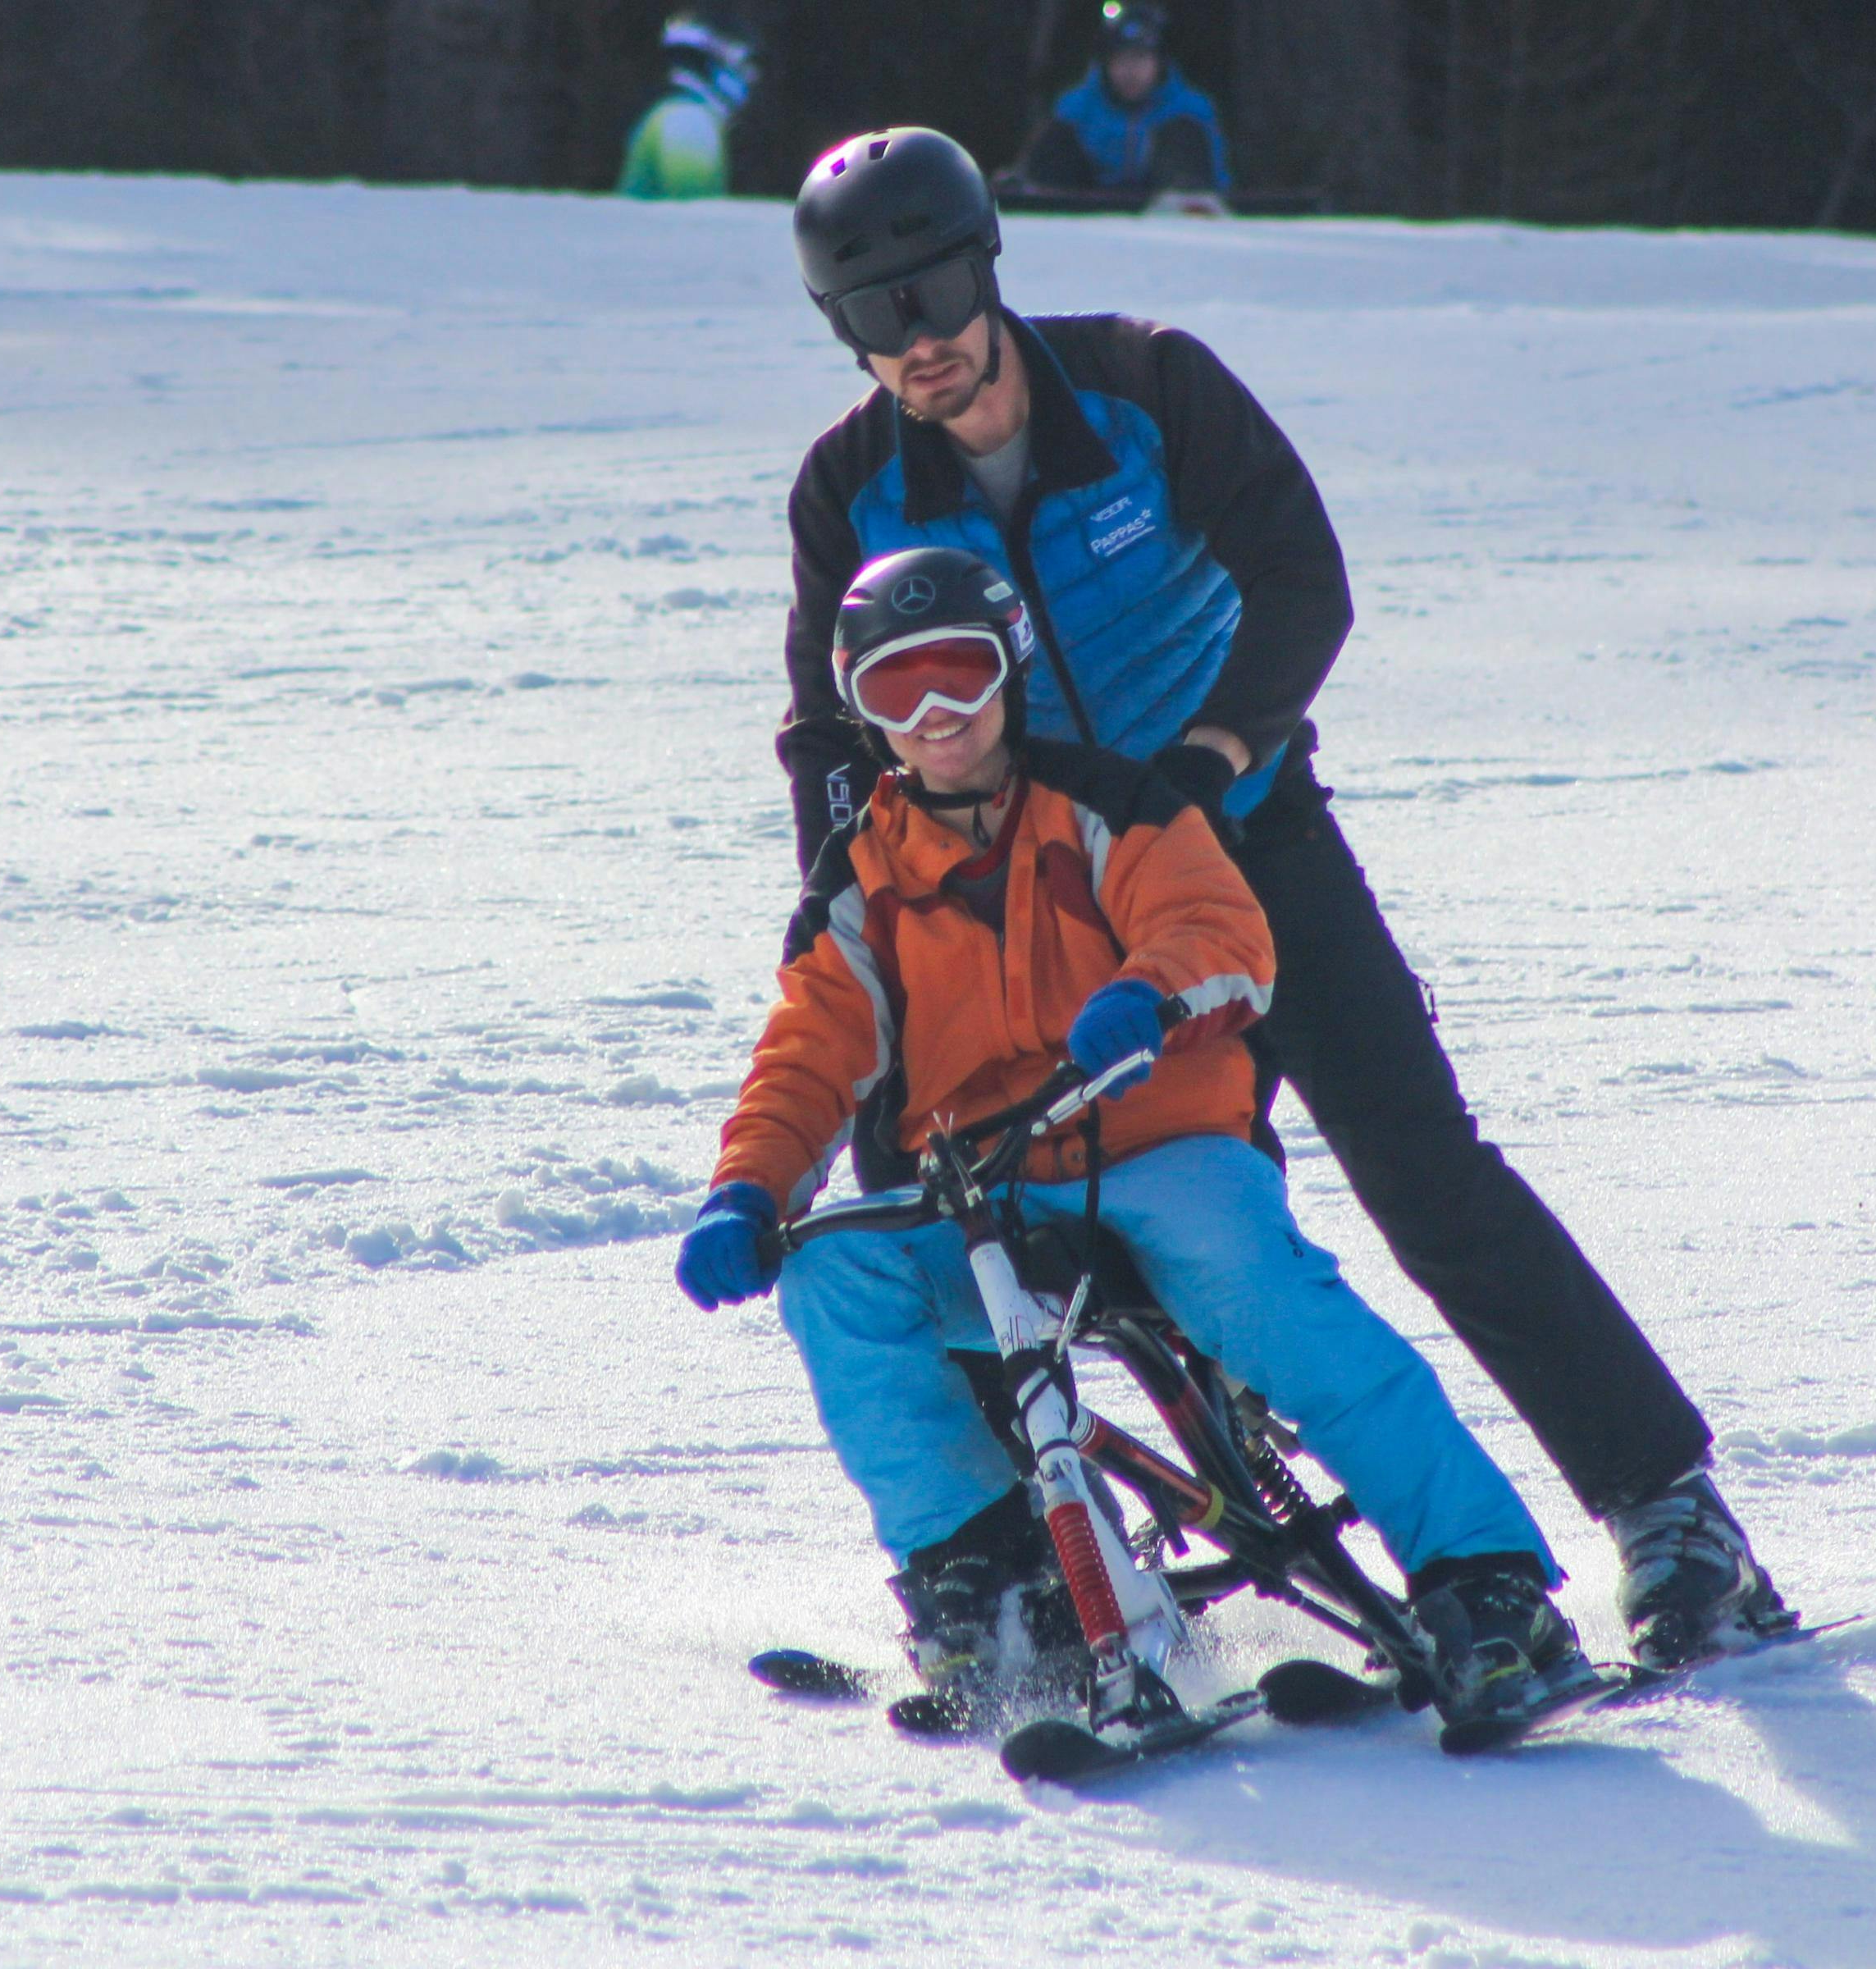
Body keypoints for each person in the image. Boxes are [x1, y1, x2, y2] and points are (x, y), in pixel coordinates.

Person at [768, 126, 1800, 1671]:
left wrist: (1210, 752)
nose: (917, 343)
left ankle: (1669, 1510)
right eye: (872, 317)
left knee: (1424, 1175)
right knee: (960, 1201)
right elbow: (827, 725)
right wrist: (850, 905)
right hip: (1039, 901)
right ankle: (1038, 1574)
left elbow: (1301, 577)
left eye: (931, 294)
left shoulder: (1145, 384)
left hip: (1250, 840)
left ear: (987, 268)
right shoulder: (852, 485)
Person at [677, 545, 1600, 1732]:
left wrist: (1152, 993)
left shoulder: (1111, 805)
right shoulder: (861, 878)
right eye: (898, 693)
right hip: (988, 1188)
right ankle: (996, 1584)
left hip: (1156, 1150)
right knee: (838, 1274)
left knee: (1262, 1294)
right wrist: (748, 1191)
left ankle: (1486, 1584)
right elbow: (810, 1050)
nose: (936, 717)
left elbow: (1219, 925)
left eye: (959, 677)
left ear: (1010, 673)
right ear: (861, 711)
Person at [1010, 1, 1228, 198]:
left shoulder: (1190, 110)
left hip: (1165, 219)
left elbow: (1218, 179)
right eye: (1121, 59)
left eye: (1140, 58)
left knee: (1182, 135)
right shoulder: (1075, 109)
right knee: (1059, 140)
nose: (1130, 71)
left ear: (1159, 63)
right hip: (1087, 212)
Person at [617, 10, 758, 201]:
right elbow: (693, 220)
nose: (752, 77)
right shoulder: (688, 122)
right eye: (744, 65)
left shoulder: (671, 114)